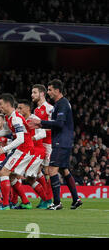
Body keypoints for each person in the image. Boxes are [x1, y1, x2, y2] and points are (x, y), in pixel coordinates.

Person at [28, 79, 82, 210]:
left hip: (61, 141)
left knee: (52, 170)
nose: (49, 92)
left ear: (57, 91)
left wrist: (41, 123)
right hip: (64, 140)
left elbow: (59, 123)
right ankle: (76, 199)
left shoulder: (62, 104)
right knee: (64, 170)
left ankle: (57, 202)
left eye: (50, 90)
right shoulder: (60, 104)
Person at [0, 93, 35, 210]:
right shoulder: (8, 117)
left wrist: (3, 149)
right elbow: (5, 131)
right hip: (21, 149)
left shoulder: (16, 118)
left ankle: (5, 204)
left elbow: (21, 139)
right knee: (10, 177)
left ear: (7, 104)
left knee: (3, 172)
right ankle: (25, 202)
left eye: (0, 104)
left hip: (25, 149)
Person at [16, 99, 50, 209]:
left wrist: (32, 138)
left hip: (37, 150)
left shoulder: (35, 119)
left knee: (29, 178)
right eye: (18, 108)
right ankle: (46, 198)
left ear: (28, 109)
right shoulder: (21, 120)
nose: (19, 110)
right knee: (36, 174)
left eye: (21, 108)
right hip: (29, 151)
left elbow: (43, 133)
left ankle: (47, 199)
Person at [31, 84, 54, 207]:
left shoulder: (49, 108)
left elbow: (53, 127)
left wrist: (39, 131)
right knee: (38, 171)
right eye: (32, 92)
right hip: (38, 143)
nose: (32, 95)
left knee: (47, 172)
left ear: (42, 94)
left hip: (48, 144)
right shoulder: (35, 110)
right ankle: (45, 197)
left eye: (34, 92)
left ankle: (48, 199)